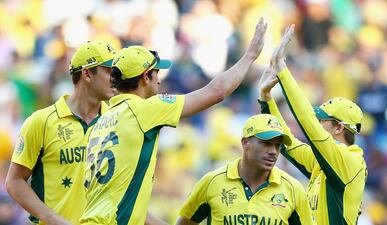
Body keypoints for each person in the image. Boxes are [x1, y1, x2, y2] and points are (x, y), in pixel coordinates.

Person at [79, 18, 267, 225]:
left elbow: (134, 209)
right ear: (144, 78)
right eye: (156, 72)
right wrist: (250, 56)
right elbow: (217, 92)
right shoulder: (145, 109)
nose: (159, 80)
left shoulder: (102, 120)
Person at [258, 25, 367, 225]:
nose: (316, 123)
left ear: (339, 128)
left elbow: (306, 121)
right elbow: (287, 143)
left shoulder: (350, 163)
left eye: (322, 120)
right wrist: (267, 99)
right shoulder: (323, 162)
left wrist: (282, 69)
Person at [5, 41, 117, 225]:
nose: (116, 78)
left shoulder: (118, 120)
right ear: (87, 74)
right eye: (109, 71)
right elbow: (14, 182)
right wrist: (52, 219)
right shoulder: (41, 122)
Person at [176, 114, 314, 225]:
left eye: (277, 145)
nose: (273, 151)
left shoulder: (293, 189)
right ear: (245, 143)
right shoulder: (212, 182)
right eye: (266, 143)